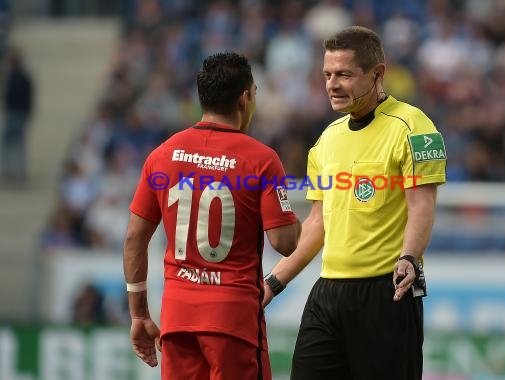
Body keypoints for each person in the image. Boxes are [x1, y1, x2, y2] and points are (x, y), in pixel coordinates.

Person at [262, 26, 447, 380]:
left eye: (344, 74)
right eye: (328, 74)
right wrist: (273, 282)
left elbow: (422, 205)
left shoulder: (414, 127)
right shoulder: (327, 139)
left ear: (377, 74)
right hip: (327, 293)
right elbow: (317, 222)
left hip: (386, 292)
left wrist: (409, 257)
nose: (332, 84)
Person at [123, 52, 301, 380]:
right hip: (233, 321)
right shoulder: (262, 160)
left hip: (177, 320)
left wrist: (139, 315)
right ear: (245, 98)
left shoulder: (162, 155)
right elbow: (285, 242)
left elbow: (135, 237)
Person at [1, 47, 34, 183]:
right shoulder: (18, 76)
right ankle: (14, 172)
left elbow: (21, 97)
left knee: (13, 145)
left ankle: (14, 173)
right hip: (16, 113)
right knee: (14, 145)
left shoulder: (18, 77)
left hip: (16, 114)